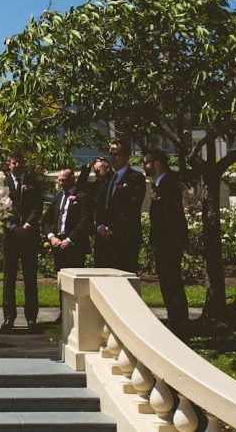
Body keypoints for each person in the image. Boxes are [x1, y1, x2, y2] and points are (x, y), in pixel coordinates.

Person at [144, 150, 189, 335]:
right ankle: (175, 318)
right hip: (163, 243)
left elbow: (174, 216)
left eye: (147, 162)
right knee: (167, 282)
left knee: (172, 282)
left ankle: (179, 322)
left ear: (158, 163)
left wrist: (179, 242)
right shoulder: (159, 184)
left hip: (169, 243)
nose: (144, 166)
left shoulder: (169, 184)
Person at [1, 150, 43, 331]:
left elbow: (37, 206)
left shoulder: (33, 182)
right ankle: (9, 317)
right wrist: (12, 227)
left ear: (23, 163)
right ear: (8, 165)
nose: (17, 165)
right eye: (13, 162)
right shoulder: (2, 183)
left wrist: (27, 226)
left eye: (19, 162)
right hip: (11, 236)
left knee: (30, 278)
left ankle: (31, 318)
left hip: (29, 236)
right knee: (9, 277)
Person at [93, 141, 145, 273]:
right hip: (103, 239)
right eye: (111, 154)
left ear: (127, 156)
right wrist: (99, 226)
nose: (112, 158)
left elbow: (130, 207)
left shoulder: (135, 178)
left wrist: (111, 228)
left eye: (117, 154)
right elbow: (98, 204)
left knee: (123, 281)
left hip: (124, 237)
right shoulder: (107, 178)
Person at [42, 167, 92, 272]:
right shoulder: (58, 197)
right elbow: (47, 219)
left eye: (63, 180)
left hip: (75, 245)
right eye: (59, 180)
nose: (60, 183)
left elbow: (84, 220)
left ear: (72, 179)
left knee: (75, 281)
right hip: (58, 244)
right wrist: (52, 237)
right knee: (61, 279)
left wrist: (70, 239)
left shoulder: (82, 196)